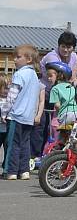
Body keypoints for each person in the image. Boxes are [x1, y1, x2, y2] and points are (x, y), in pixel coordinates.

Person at [35, 31, 77, 163]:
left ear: (73, 48)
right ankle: (36, 155)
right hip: (47, 93)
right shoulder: (51, 57)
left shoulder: (74, 56)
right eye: (63, 46)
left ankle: (55, 155)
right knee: (42, 125)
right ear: (58, 46)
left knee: (57, 128)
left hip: (63, 95)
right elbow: (58, 76)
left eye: (69, 47)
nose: (66, 50)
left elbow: (73, 74)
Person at [4, 45, 42, 180]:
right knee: (25, 144)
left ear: (29, 59)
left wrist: (4, 112)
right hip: (28, 116)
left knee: (13, 144)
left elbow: (11, 96)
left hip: (16, 115)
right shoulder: (34, 76)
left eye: (18, 57)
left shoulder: (19, 74)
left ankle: (11, 170)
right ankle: (24, 170)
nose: (15, 59)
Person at [47, 62, 77, 147]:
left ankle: (60, 152)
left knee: (62, 137)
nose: (48, 78)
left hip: (66, 116)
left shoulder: (55, 89)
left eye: (51, 76)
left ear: (60, 75)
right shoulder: (73, 86)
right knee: (76, 138)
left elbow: (57, 105)